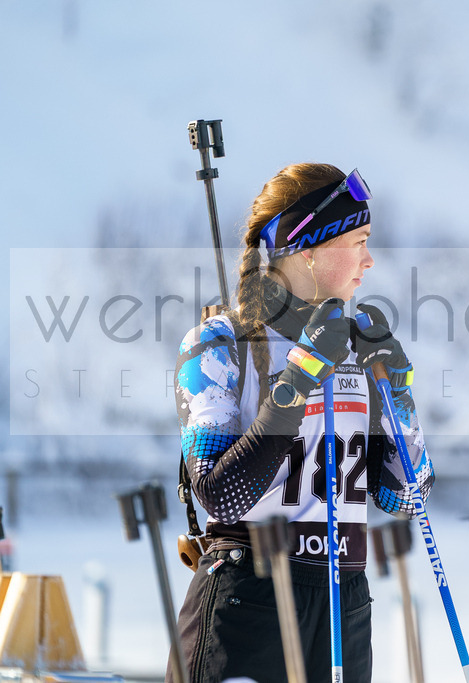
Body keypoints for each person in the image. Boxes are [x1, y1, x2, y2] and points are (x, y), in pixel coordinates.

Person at [171, 162, 433, 683]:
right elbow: (220, 494)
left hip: (344, 600)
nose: (369, 259)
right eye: (358, 242)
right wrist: (298, 380)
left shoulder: (355, 349)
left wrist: (398, 397)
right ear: (308, 248)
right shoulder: (221, 343)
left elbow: (407, 498)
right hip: (251, 596)